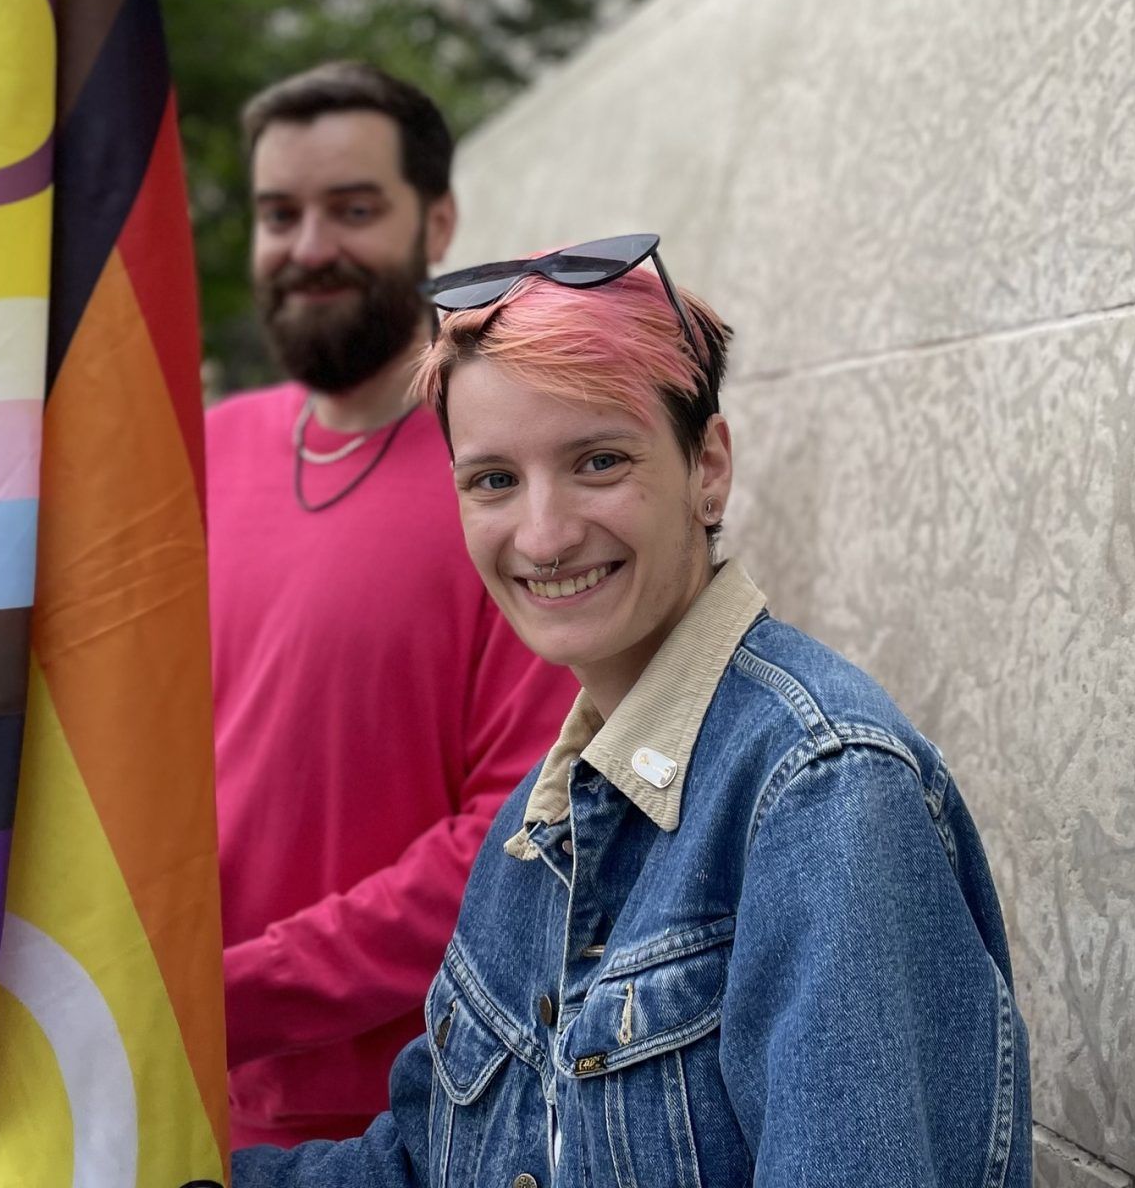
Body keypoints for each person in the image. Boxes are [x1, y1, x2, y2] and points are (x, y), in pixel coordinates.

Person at [233, 234, 1032, 1187]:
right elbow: (422, 1163)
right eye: (494, 480)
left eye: (599, 461)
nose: (543, 533)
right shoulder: (541, 817)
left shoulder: (824, 798)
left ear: (708, 468)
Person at [210, 62, 575, 1148]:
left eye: (354, 209)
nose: (309, 246)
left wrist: (228, 992)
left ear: (439, 219)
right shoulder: (201, 453)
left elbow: (516, 836)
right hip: (175, 1094)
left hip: (414, 1122)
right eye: (281, 214)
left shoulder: (512, 476)